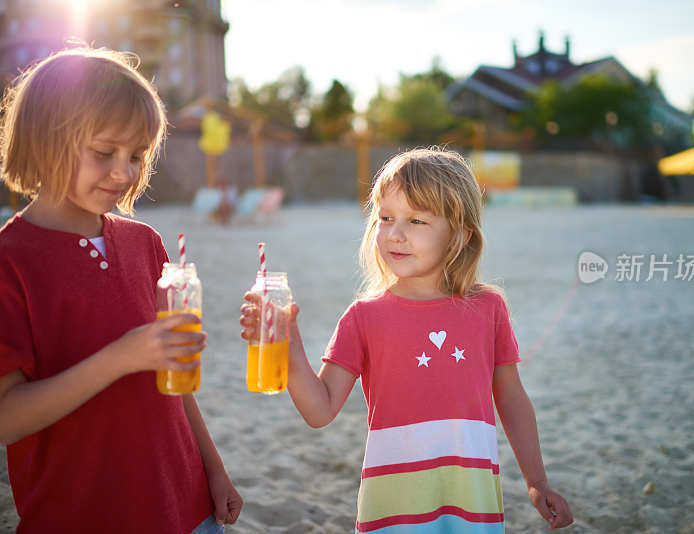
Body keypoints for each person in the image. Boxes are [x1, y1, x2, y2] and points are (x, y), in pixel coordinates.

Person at [240, 147, 573, 532]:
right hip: (394, 509)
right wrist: (289, 345)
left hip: (472, 502)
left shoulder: (488, 308)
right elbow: (319, 411)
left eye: (416, 220)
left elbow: (511, 398)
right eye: (385, 218)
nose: (395, 234)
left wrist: (536, 481)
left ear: (460, 235)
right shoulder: (364, 317)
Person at [0, 47, 242, 533]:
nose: (125, 173)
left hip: (187, 502)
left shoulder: (144, 243)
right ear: (45, 139)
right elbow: (7, 417)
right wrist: (120, 358)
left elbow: (173, 381)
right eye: (104, 152)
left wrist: (213, 469)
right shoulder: (11, 261)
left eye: (137, 155)